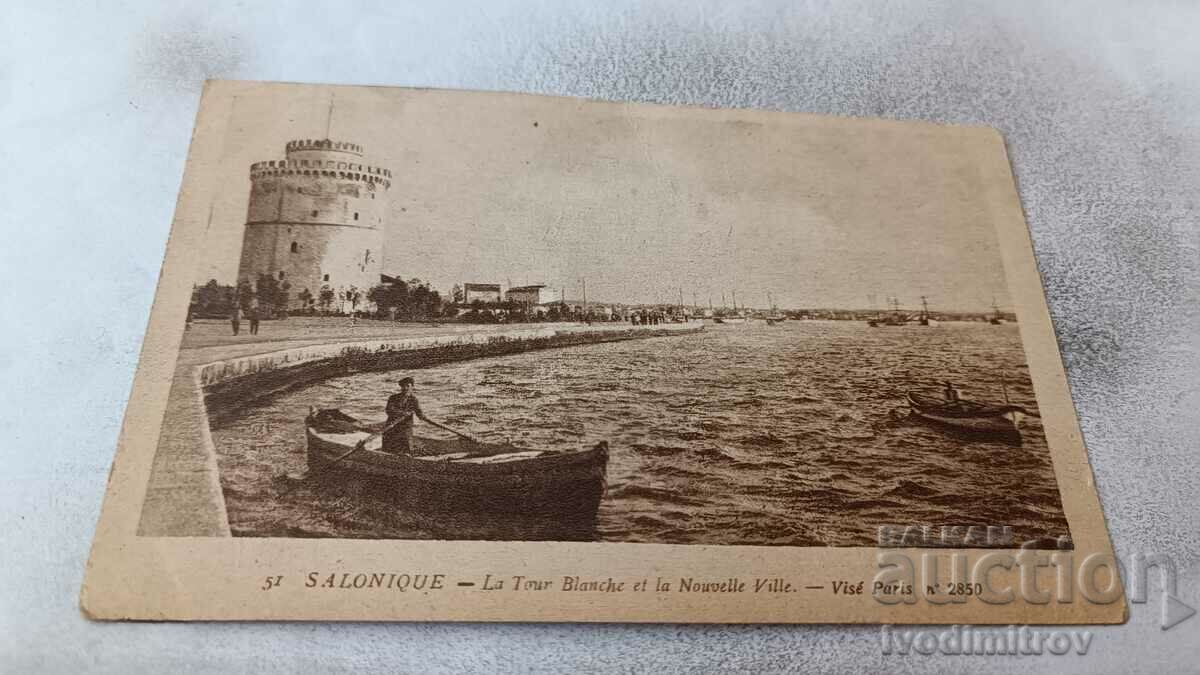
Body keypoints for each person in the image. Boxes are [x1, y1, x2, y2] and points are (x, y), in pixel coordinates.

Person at [382, 377, 431, 455]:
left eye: (408, 386)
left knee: (406, 448)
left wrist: (423, 417)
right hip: (392, 426)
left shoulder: (414, 399)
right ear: (401, 387)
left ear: (412, 387)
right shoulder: (393, 398)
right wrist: (402, 413)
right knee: (388, 448)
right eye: (403, 386)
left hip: (406, 427)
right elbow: (389, 410)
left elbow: (419, 413)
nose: (405, 388)